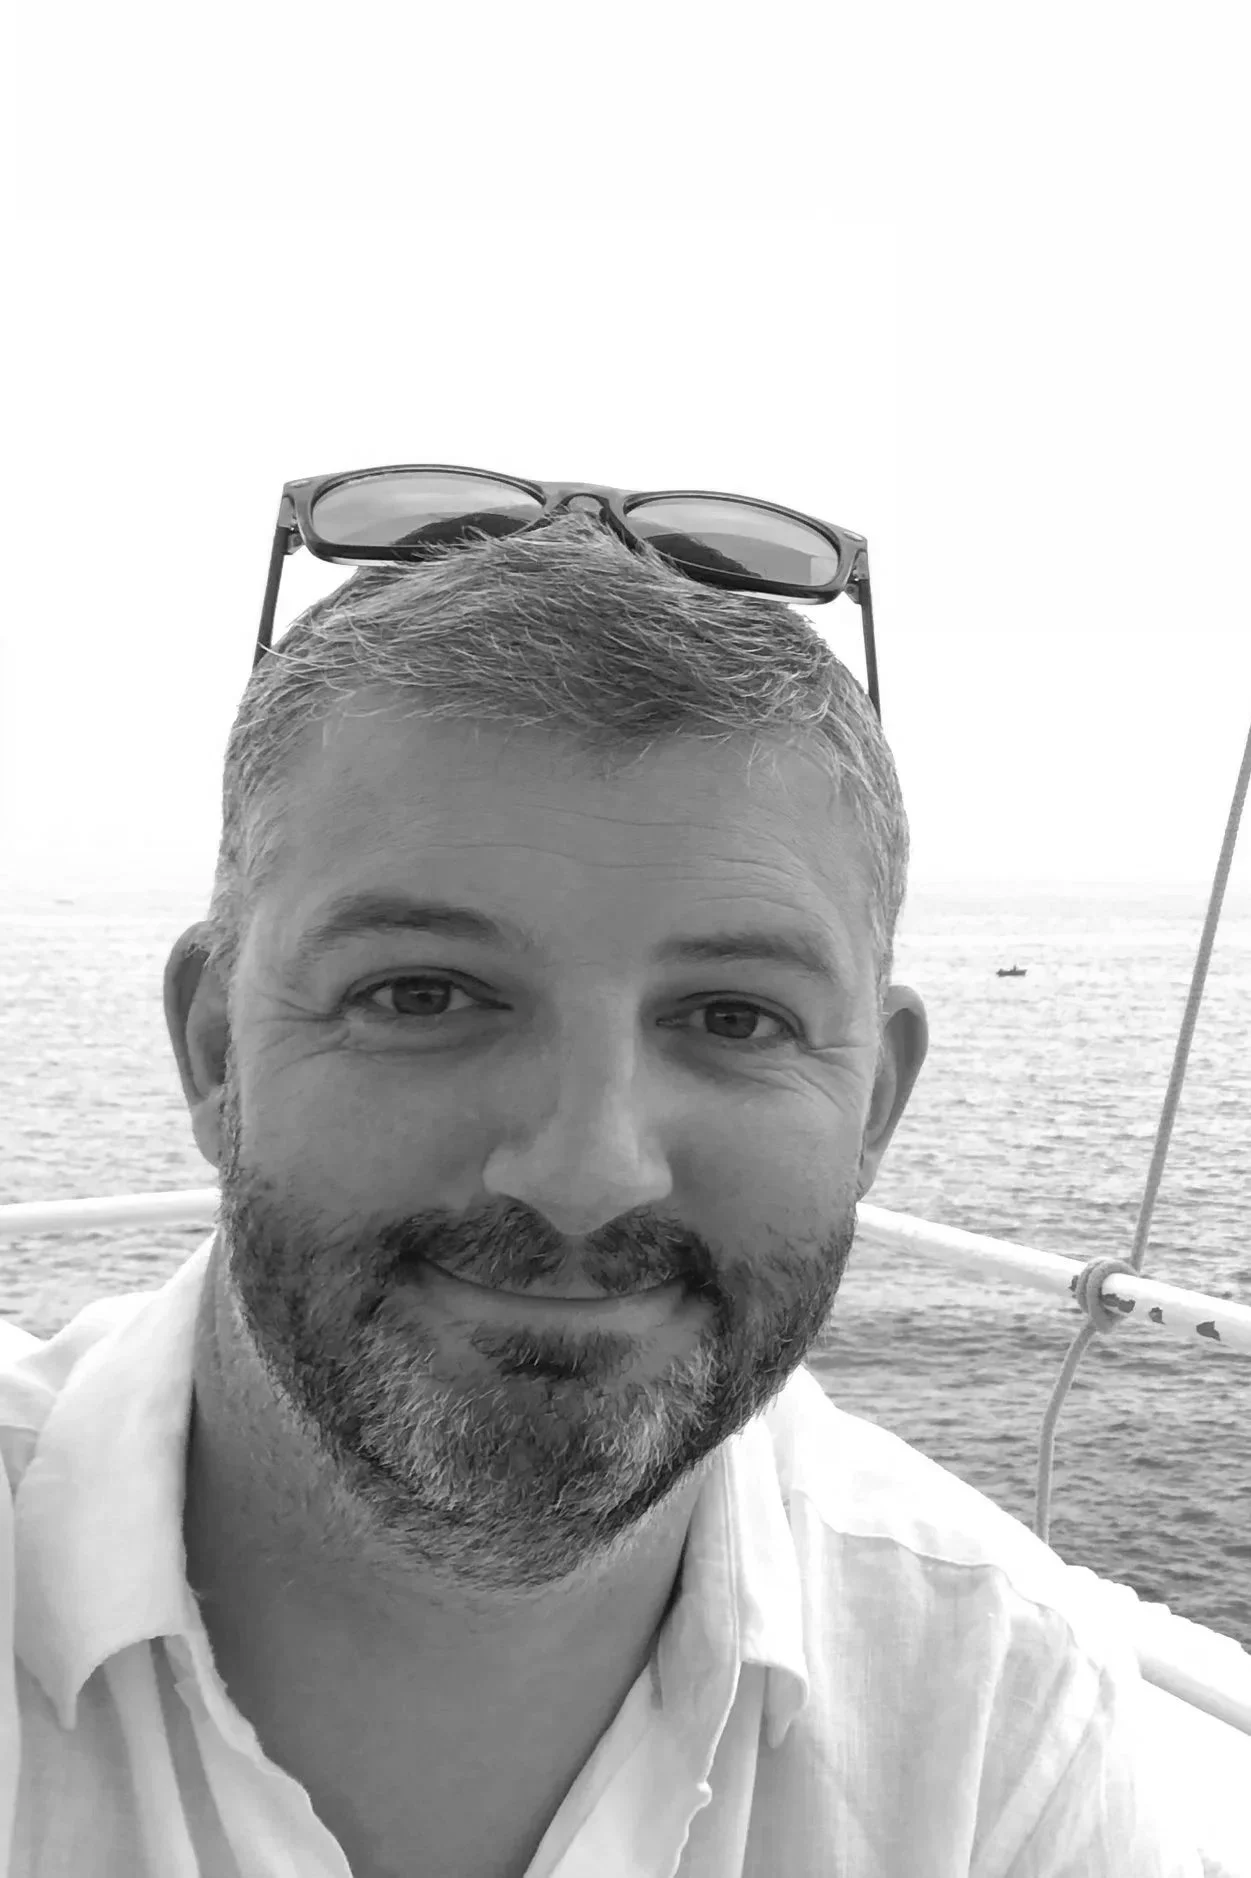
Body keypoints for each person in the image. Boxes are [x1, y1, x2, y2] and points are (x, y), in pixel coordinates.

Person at [0, 508, 1202, 1875]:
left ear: (874, 1104)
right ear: (217, 1051)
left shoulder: (998, 1718)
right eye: (422, 994)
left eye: (735, 1017)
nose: (586, 1172)